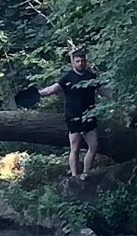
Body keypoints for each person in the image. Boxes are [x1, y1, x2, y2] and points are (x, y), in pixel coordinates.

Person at [39, 48, 102, 179]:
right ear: (73, 62)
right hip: (73, 116)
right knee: (75, 148)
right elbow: (53, 89)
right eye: (78, 61)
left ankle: (86, 173)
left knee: (94, 146)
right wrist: (39, 93)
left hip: (89, 114)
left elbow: (103, 90)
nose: (80, 63)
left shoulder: (91, 77)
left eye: (83, 61)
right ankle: (74, 176)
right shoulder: (67, 77)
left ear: (86, 62)